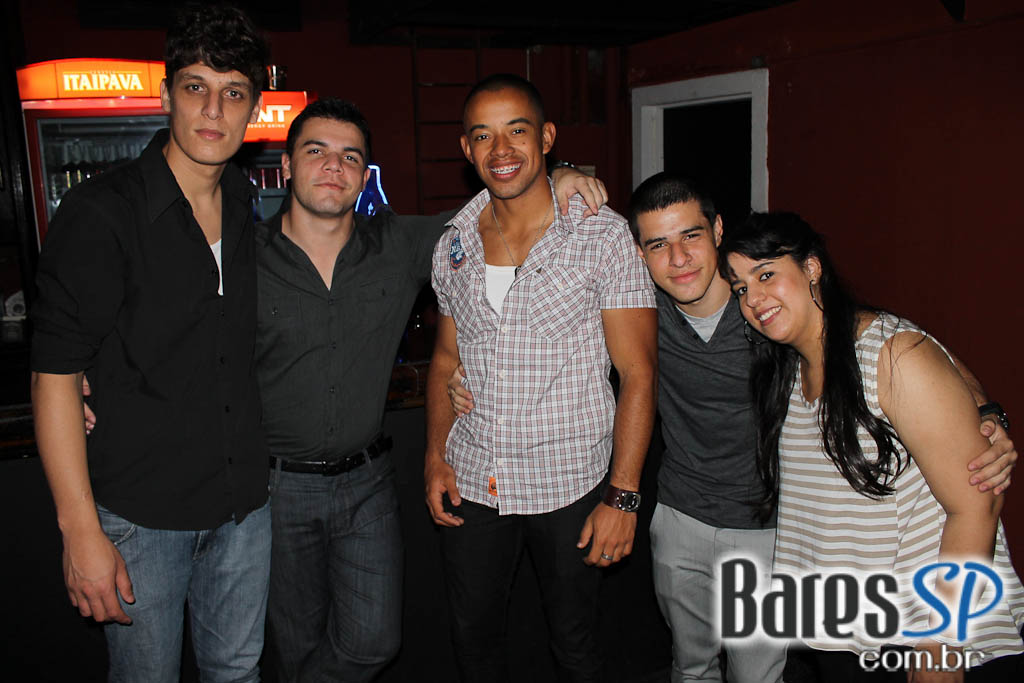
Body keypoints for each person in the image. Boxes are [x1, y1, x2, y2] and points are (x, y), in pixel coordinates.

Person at [449, 172, 1016, 683]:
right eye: (657, 245)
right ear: (639, 255)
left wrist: (986, 413)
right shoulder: (642, 310)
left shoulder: (772, 318)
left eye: (691, 236)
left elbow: (899, 344)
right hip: (682, 518)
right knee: (689, 666)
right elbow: (541, 338)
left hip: (771, 530)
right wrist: (467, 375)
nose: (678, 259)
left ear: (718, 230)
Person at [255, 96, 608, 682]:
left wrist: (561, 176)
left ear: (364, 173)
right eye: (316, 151)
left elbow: (503, 206)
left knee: (375, 641)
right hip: (276, 487)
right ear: (288, 165)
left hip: (366, 484)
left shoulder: (403, 242)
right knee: (293, 646)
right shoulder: (244, 259)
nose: (334, 167)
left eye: (350, 156)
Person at [31, 6, 272, 682]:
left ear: (253, 110)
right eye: (196, 87)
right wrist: (81, 532)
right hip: (142, 518)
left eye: (233, 93)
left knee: (239, 674)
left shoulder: (244, 201)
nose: (213, 110)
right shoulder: (102, 214)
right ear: (166, 96)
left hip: (243, 508)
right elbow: (53, 376)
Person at [721, 211, 1024, 681]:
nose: (754, 299)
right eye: (740, 288)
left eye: (765, 275)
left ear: (811, 267)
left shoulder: (890, 354)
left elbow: (977, 503)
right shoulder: (788, 369)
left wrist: (941, 643)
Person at [424, 73, 658, 682]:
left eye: (517, 130)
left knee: (575, 647)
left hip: (569, 481)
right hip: (475, 479)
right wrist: (435, 457)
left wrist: (623, 496)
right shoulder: (452, 245)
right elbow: (445, 361)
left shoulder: (602, 235)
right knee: (473, 643)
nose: (501, 150)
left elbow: (638, 373)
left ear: (547, 137)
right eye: (483, 135)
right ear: (466, 148)